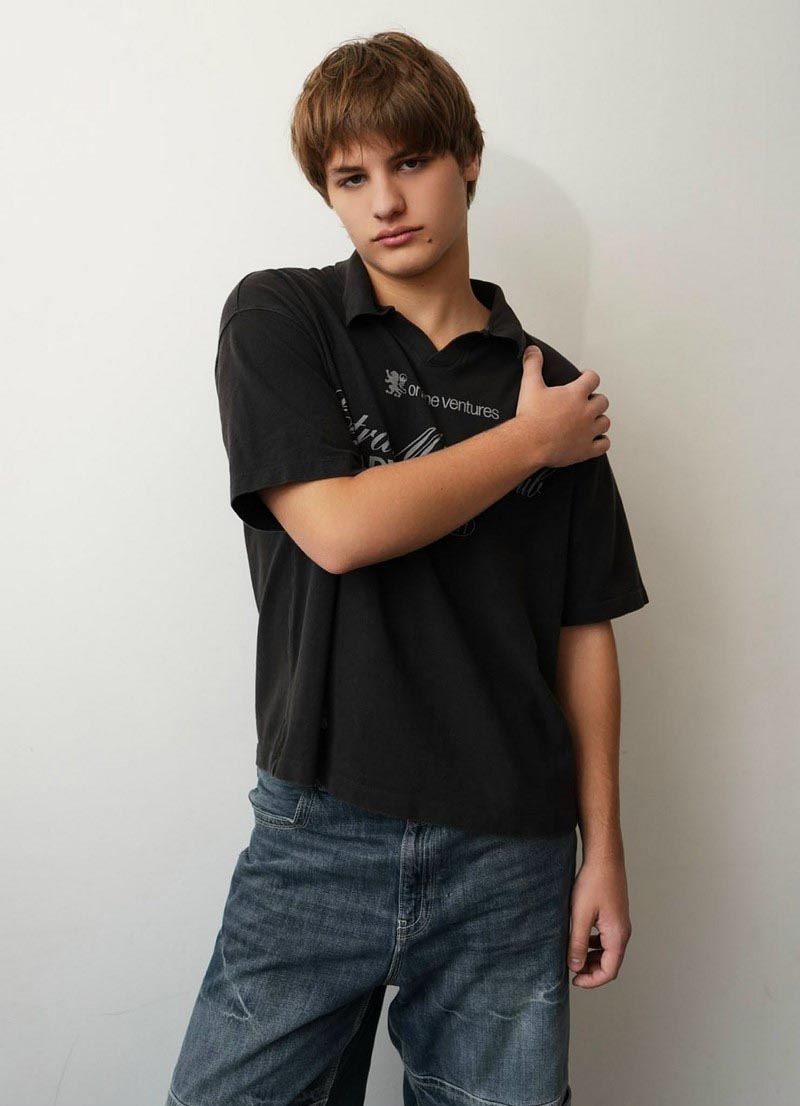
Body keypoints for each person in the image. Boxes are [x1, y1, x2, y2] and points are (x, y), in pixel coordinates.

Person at [165, 30, 649, 1106]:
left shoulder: (553, 386)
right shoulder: (283, 316)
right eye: (351, 178)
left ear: (466, 159)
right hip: (321, 828)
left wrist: (603, 850)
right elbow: (335, 530)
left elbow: (583, 628)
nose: (385, 201)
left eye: (411, 162)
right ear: (327, 195)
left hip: (511, 849)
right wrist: (528, 444)